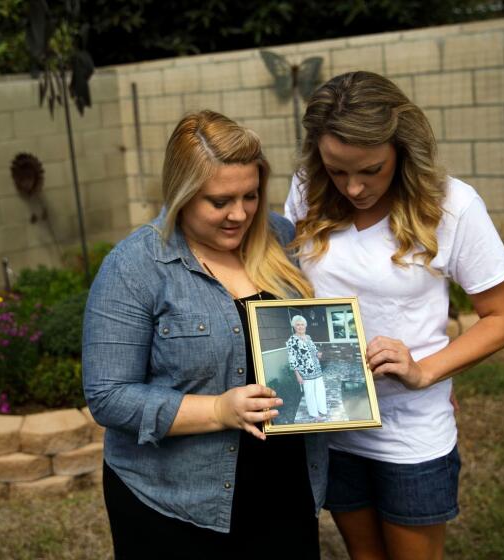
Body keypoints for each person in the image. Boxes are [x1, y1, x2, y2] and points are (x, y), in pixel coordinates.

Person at [284, 71, 504, 560]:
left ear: (401, 148)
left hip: (411, 432)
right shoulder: (307, 188)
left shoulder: (451, 206)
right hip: (333, 427)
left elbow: (503, 317)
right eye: (336, 169)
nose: (353, 187)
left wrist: (425, 371)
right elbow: (293, 289)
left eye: (371, 169)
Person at [82, 110, 327, 559]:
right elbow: (108, 395)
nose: (240, 214)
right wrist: (218, 408)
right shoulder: (135, 266)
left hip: (286, 486)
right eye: (219, 202)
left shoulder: (279, 236)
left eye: (250, 196)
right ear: (182, 194)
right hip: (177, 501)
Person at [286, 314, 328, 421]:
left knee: (320, 390)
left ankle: (322, 410)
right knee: (309, 393)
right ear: (294, 327)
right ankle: (314, 414)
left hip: (317, 369)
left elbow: (313, 350)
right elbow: (292, 358)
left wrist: (318, 354)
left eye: (302, 325)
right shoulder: (292, 340)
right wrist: (298, 375)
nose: (300, 327)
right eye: (298, 325)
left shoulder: (308, 337)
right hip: (305, 371)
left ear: (305, 326)